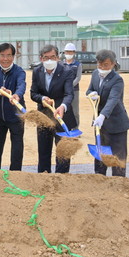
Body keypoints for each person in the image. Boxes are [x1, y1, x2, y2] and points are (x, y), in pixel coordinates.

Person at [30, 44, 76, 173]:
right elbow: (33, 93)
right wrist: (42, 98)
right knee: (44, 150)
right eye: (46, 58)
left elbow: (69, 94)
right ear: (41, 58)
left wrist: (62, 106)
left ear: (58, 58)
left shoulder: (67, 71)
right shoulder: (37, 71)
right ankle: (44, 177)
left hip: (63, 115)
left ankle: (61, 179)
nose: (50, 60)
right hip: (44, 116)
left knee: (63, 152)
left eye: (53, 57)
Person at [86, 49, 129, 177]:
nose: (102, 67)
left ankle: (118, 184)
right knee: (101, 155)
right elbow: (89, 90)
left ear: (113, 64)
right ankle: (99, 180)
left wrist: (102, 116)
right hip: (100, 124)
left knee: (117, 158)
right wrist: (91, 94)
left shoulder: (117, 80)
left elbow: (113, 99)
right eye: (99, 64)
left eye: (105, 65)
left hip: (116, 123)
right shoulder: (95, 74)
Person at [0, 43, 27, 171]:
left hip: (16, 116)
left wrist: (17, 95)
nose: (5, 59)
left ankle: (16, 174)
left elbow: (21, 86)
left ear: (14, 56)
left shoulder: (19, 71)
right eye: (2, 55)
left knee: (17, 149)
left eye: (9, 55)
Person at [61, 43, 82, 127]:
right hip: (62, 91)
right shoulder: (61, 64)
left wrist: (69, 86)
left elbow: (78, 77)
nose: (68, 54)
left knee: (75, 110)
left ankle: (75, 128)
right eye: (67, 52)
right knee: (63, 109)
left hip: (74, 90)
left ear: (74, 53)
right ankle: (65, 128)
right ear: (64, 53)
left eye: (70, 52)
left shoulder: (78, 65)